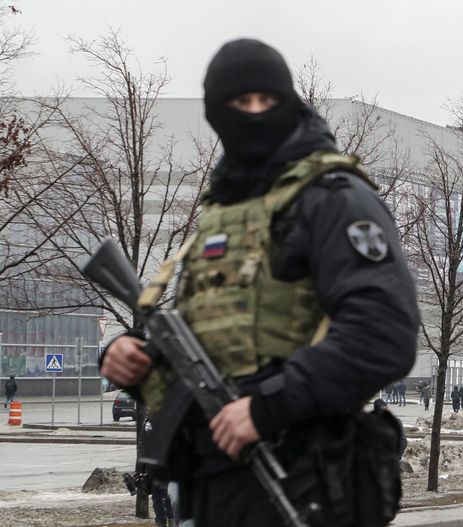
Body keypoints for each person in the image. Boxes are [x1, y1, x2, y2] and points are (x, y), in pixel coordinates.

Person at [99, 38, 419, 527]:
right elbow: (217, 343)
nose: (252, 114)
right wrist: (136, 357)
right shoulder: (222, 213)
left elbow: (384, 335)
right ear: (214, 114)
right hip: (215, 484)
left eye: (266, 101)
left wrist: (269, 406)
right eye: (237, 104)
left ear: (288, 103)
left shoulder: (333, 198)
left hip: (299, 477)